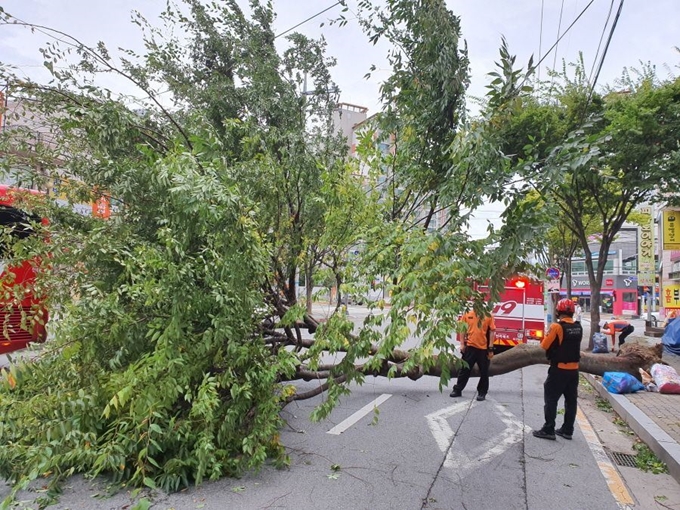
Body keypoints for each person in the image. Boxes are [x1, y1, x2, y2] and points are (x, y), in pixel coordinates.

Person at [533, 298, 583, 441]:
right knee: (571, 401)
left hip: (559, 369)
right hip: (574, 371)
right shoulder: (578, 327)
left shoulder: (557, 327)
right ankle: (568, 430)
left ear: (558, 311)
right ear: (572, 312)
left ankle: (549, 429)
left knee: (551, 398)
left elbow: (544, 345)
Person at [450, 308, 496, 401]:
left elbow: (492, 331)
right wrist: (462, 344)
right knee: (464, 370)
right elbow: (462, 329)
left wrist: (491, 348)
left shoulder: (488, 315)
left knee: (484, 372)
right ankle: (458, 390)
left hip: (483, 349)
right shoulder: (467, 314)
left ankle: (482, 393)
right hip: (470, 347)